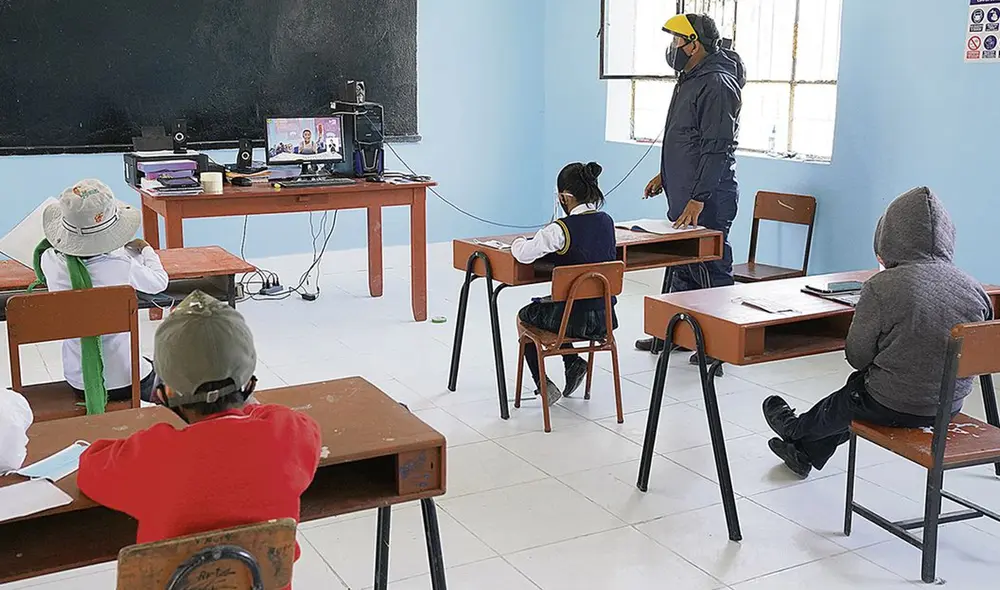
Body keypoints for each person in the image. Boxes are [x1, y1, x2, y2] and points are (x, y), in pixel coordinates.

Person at [78, 291, 323, 583]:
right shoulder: (288, 435)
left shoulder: (153, 456)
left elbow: (89, 468)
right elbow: (299, 423)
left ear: (165, 392)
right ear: (248, 382)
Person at [763, 187, 992, 478]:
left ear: (889, 236)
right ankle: (805, 453)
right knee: (860, 398)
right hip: (949, 407)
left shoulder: (881, 287)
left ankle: (796, 430)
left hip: (893, 405)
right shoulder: (974, 288)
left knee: (855, 394)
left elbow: (857, 356)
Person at [634, 13, 746, 370]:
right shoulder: (691, 79)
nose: (673, 49)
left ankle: (717, 346)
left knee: (711, 268)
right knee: (682, 264)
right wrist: (665, 175)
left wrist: (699, 197)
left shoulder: (717, 83)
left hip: (708, 198)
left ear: (695, 43)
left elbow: (717, 147)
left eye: (677, 42)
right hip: (684, 193)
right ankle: (677, 334)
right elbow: (687, 139)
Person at [34, 179, 168, 413]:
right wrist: (145, 250)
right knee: (163, 369)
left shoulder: (49, 261)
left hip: (81, 382)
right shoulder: (122, 264)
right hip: (129, 379)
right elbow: (159, 282)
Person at [511, 162, 619, 406]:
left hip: (573, 321)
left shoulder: (560, 230)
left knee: (525, 316)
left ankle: (543, 383)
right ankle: (573, 364)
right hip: (605, 319)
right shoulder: (607, 222)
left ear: (564, 197)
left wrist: (518, 241)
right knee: (565, 305)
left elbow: (524, 254)